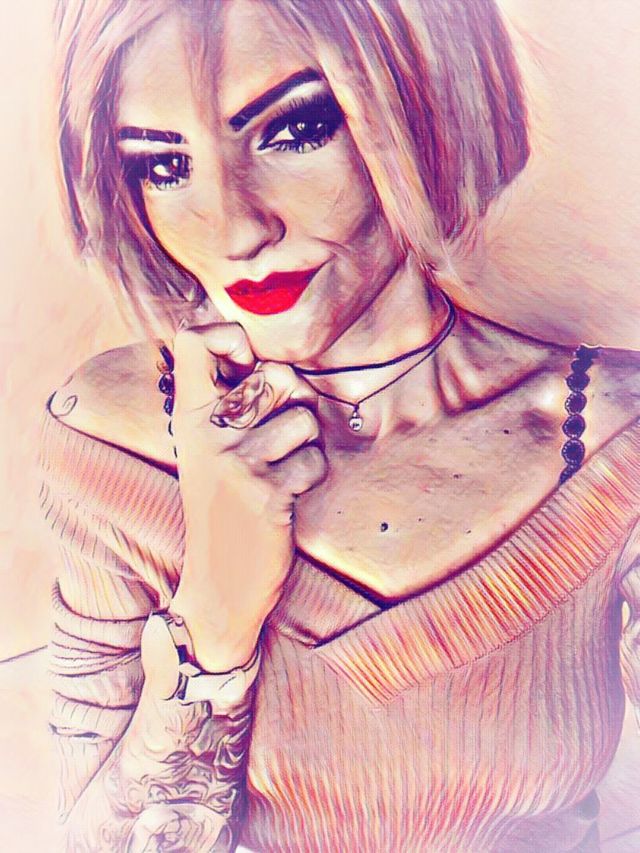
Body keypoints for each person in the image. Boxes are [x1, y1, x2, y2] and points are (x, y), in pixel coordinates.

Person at [39, 0, 640, 850]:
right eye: (164, 165)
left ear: (425, 104)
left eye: (294, 131)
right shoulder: (106, 437)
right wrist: (215, 605)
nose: (234, 229)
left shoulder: (611, 442)